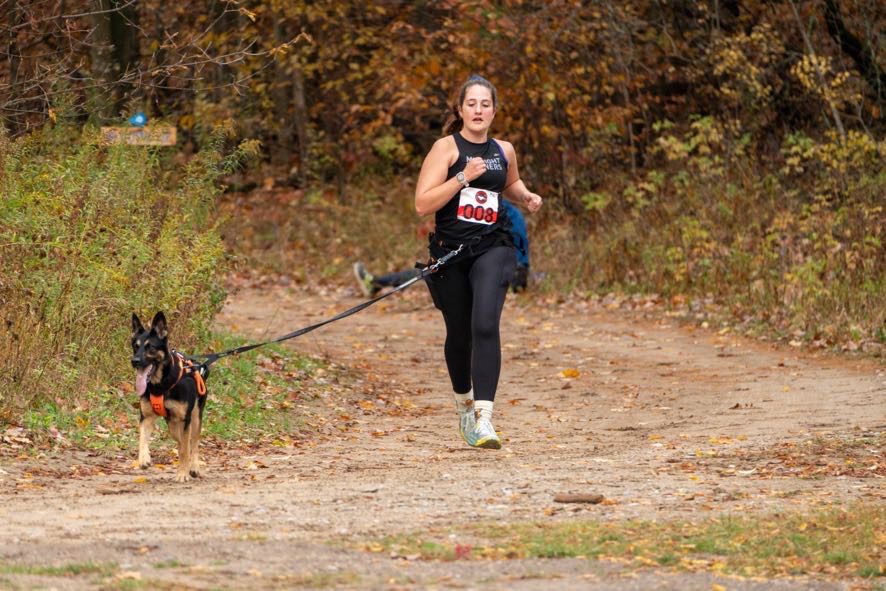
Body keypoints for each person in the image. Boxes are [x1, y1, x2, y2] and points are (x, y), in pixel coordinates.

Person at [413, 74, 542, 449]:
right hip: (452, 253)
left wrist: (526, 196)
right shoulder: (445, 149)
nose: (479, 110)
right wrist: (462, 177)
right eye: (472, 104)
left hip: (493, 246)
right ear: (460, 109)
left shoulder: (504, 150)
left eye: (485, 104)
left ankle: (484, 419)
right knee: (460, 334)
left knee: (485, 323)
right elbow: (422, 204)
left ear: (494, 111)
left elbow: (509, 184)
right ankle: (465, 408)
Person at [352, 199, 531, 297]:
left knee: (435, 272)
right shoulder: (499, 208)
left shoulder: (496, 210)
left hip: (505, 271)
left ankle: (376, 282)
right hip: (502, 268)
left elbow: (512, 246)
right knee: (432, 270)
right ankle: (377, 282)